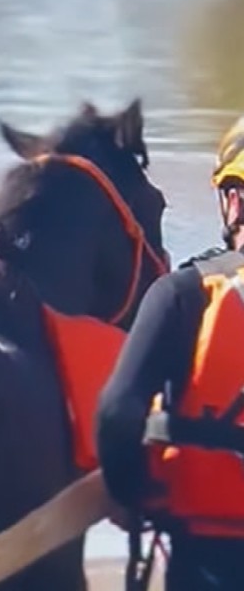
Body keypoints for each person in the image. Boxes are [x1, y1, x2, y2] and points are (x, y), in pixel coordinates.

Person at [96, 115, 244, 591]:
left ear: (233, 199)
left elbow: (118, 412)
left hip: (210, 551)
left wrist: (130, 494)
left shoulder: (182, 294)